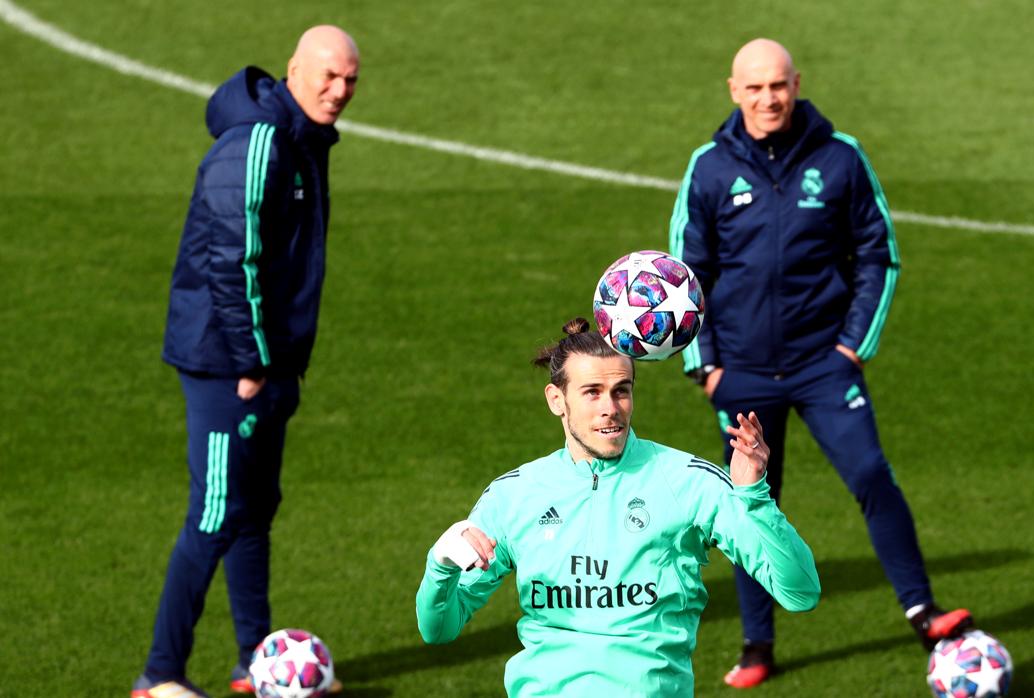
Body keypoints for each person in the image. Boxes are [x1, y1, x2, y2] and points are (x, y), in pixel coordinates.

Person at [668, 38, 974, 688]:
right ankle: (757, 646)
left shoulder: (840, 159)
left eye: (777, 85)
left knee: (870, 474)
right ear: (733, 90)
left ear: (796, 84)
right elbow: (686, 272)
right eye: (754, 88)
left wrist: (851, 345)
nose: (767, 98)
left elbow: (877, 253)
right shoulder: (710, 168)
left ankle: (924, 614)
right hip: (743, 372)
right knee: (753, 503)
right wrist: (707, 366)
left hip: (822, 365)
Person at [415, 318, 821, 697]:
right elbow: (440, 628)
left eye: (621, 390)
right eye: (591, 392)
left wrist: (753, 496)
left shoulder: (689, 481)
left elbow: (800, 592)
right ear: (556, 399)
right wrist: (442, 563)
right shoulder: (514, 495)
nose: (610, 407)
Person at [132, 26, 359, 698]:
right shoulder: (259, 141)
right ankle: (161, 675)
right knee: (215, 513)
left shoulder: (301, 140)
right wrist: (255, 362)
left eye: (350, 79)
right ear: (294, 70)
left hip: (265, 364)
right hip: (229, 365)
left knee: (254, 509)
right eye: (327, 76)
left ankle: (253, 661)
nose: (339, 90)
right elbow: (234, 261)